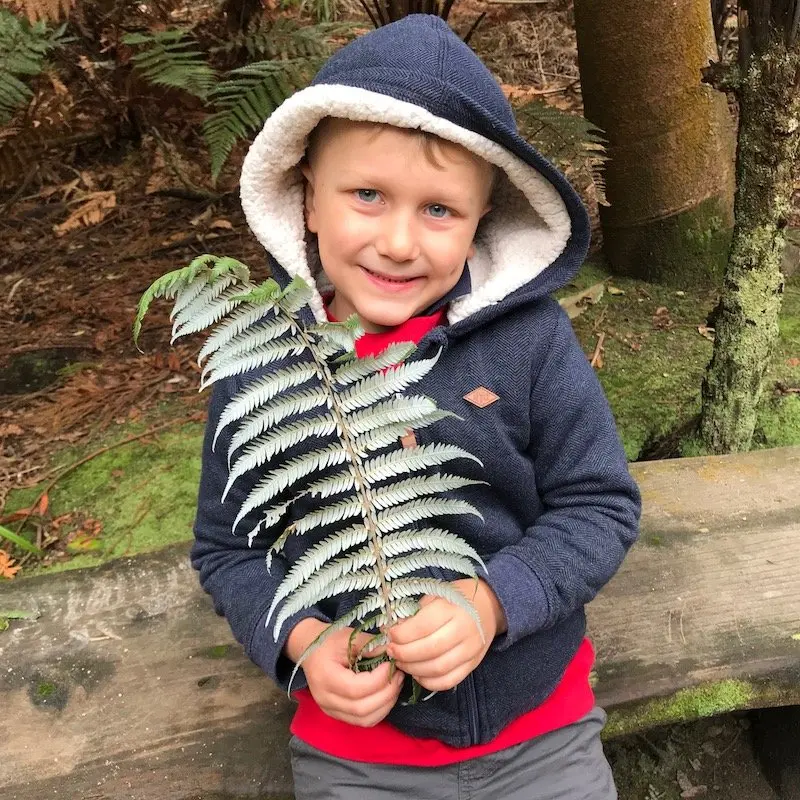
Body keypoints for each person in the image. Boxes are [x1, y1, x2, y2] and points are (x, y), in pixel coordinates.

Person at [192, 14, 641, 800]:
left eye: (439, 210)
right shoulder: (259, 366)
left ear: (479, 225)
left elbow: (599, 503)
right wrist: (300, 642)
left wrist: (495, 602)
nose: (400, 242)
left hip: (542, 733)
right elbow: (227, 549)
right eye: (367, 194)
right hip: (357, 754)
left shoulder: (529, 344)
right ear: (306, 201)